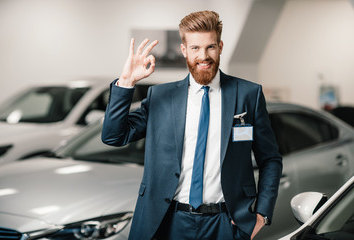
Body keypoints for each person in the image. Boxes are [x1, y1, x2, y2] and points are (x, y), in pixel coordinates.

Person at [102, 10, 282, 240]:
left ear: (220, 46)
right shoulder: (161, 96)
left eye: (210, 47)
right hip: (168, 222)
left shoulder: (248, 94)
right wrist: (126, 82)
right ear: (184, 50)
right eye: (195, 48)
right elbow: (113, 136)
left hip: (226, 224)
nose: (203, 56)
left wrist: (262, 213)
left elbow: (271, 159)